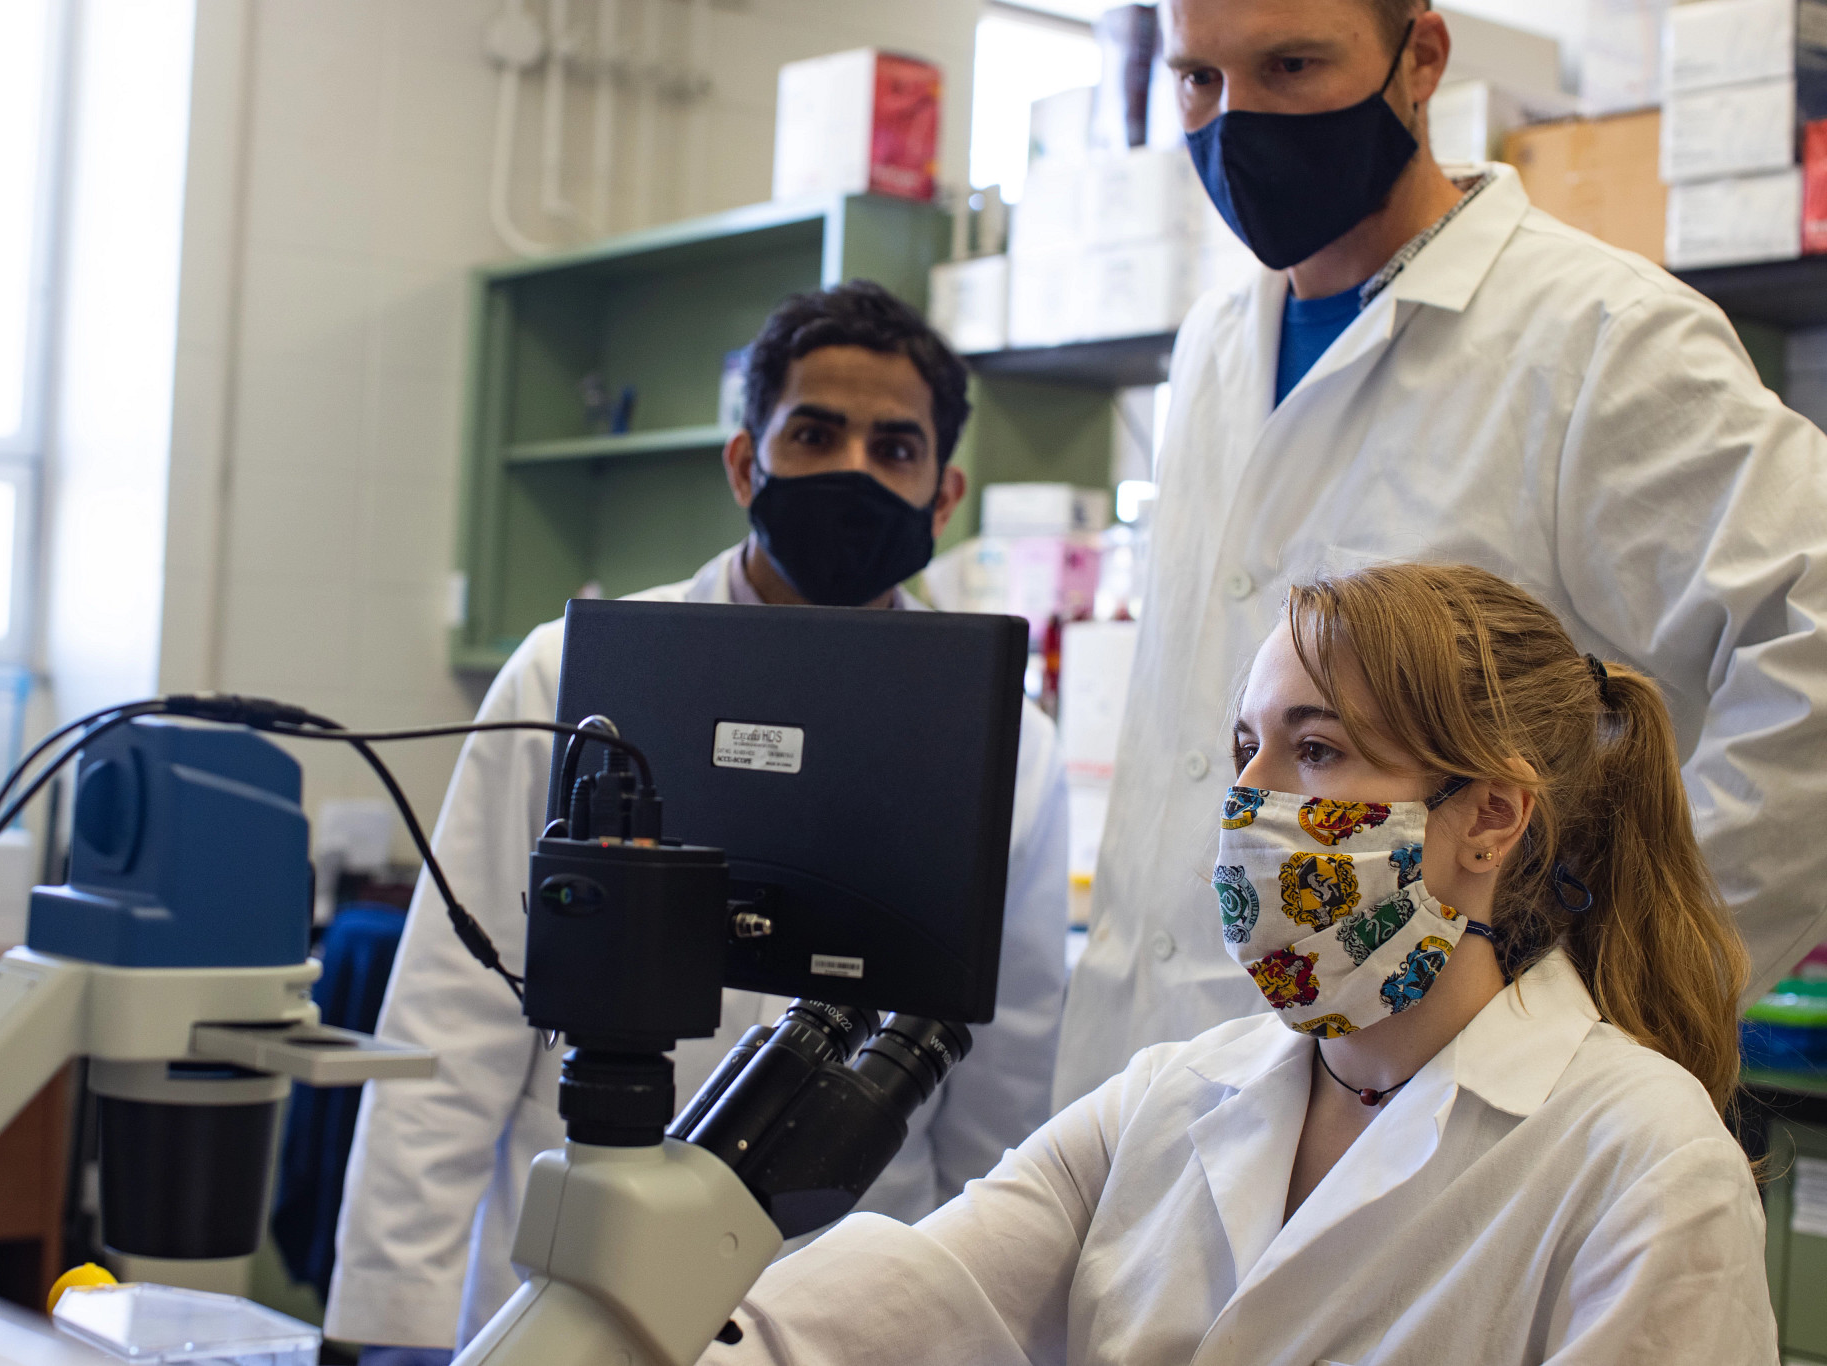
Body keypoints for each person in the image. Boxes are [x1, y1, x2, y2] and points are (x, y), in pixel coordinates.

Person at [706, 562, 1777, 1365]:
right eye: (1243, 750)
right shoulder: (1165, 1098)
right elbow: (907, 1296)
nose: (1245, 799)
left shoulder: (1643, 1158)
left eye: (1312, 751)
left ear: (1488, 816)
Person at [1060, 0, 1827, 1107]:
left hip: (1454, 1103)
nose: (1236, 123)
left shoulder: (1596, 337)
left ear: (1418, 59)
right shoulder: (1214, 340)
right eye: (1198, 81)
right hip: (1164, 1081)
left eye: (1290, 65)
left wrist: (1622, 983)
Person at [326, 282, 1071, 1362]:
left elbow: (1004, 1089)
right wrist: (388, 1324)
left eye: (892, 446)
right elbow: (452, 1022)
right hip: (571, 1278)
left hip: (851, 1300)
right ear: (743, 463)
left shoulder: (1009, 737)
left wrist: (979, 1324)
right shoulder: (570, 672)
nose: (852, 470)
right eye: (814, 434)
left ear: (942, 492)